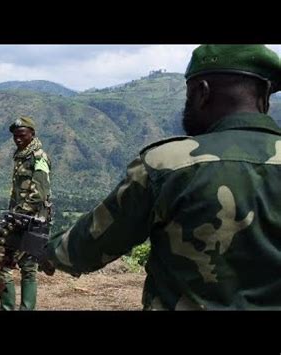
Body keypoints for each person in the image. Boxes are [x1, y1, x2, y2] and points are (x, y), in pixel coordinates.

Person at [45, 45, 281, 310]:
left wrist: (48, 250)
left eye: (189, 96)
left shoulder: (168, 165)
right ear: (265, 98)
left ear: (202, 92)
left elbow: (89, 248)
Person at [0, 115, 52, 310]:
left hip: (33, 221)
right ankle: (8, 307)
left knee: (28, 267)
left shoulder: (38, 158)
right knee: (4, 262)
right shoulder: (21, 156)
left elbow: (39, 193)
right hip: (18, 218)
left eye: (22, 135)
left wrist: (19, 215)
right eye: (15, 136)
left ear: (32, 134)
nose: (18, 139)